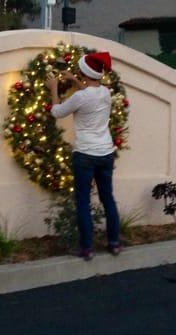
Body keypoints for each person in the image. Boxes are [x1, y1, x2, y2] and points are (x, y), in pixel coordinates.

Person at [45, 52, 121, 261]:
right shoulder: (105, 93)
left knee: (83, 201)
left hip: (86, 155)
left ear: (84, 72)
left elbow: (57, 112)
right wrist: (75, 81)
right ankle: (114, 243)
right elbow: (90, 96)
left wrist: (53, 89)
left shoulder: (80, 97)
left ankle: (87, 248)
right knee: (108, 199)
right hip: (106, 153)